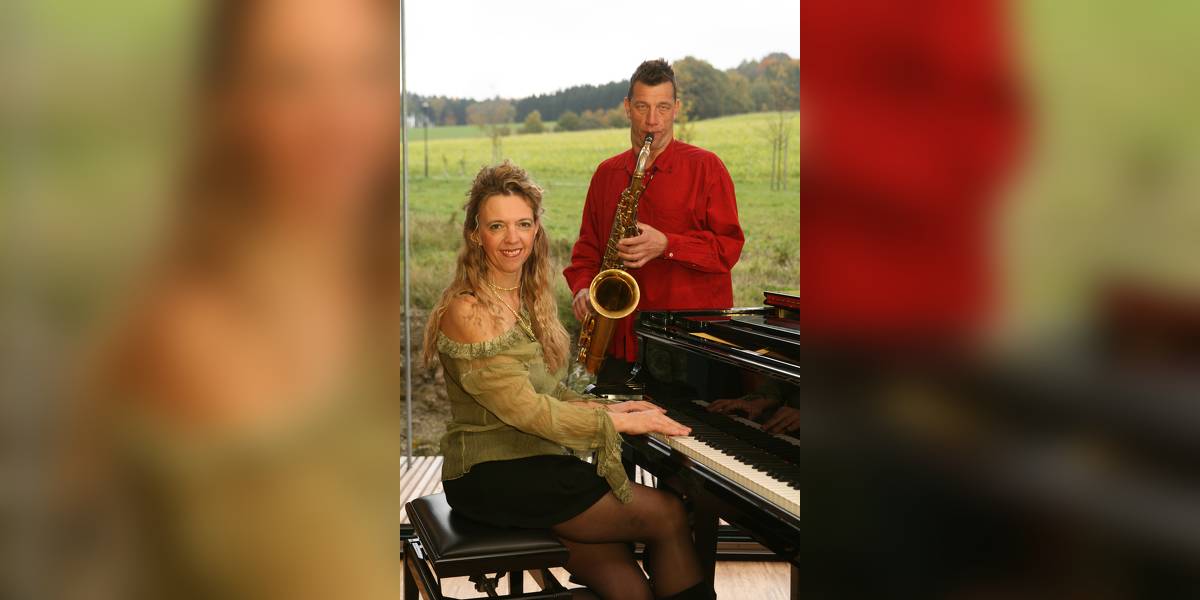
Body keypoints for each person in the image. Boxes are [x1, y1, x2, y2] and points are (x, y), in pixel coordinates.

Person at [57, 1, 401, 598]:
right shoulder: (188, 328)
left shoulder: (365, 284)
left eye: (366, 72)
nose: (339, 120)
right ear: (227, 104)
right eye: (291, 78)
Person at [422, 161, 713, 600]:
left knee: (629, 588)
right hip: (490, 474)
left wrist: (612, 408)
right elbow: (529, 411)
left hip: (537, 463)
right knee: (668, 513)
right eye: (497, 226)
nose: (513, 238)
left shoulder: (526, 297)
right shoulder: (469, 310)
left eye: (523, 224)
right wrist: (619, 423)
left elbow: (549, 392)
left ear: (536, 229)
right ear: (475, 235)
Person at [565, 59, 745, 384]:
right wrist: (582, 288)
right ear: (627, 108)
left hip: (688, 348)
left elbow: (728, 250)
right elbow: (587, 248)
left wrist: (667, 245)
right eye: (642, 107)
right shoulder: (606, 174)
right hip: (618, 341)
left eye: (662, 107)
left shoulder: (708, 168)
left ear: (676, 108)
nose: (652, 120)